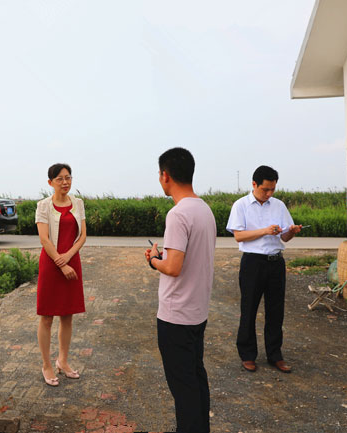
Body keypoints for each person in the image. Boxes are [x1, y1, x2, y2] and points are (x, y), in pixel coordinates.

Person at [145, 147, 216, 433]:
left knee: (183, 387)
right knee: (196, 378)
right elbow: (188, 258)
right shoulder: (204, 209)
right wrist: (164, 257)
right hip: (197, 311)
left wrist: (153, 259)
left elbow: (173, 267)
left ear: (165, 175)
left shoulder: (177, 214)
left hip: (176, 315)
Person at [226, 165, 302, 374]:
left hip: (276, 262)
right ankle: (247, 355)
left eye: (272, 189)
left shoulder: (279, 206)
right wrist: (265, 231)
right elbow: (238, 236)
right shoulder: (241, 205)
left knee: (276, 311)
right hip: (253, 263)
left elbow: (284, 237)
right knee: (249, 309)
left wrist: (292, 231)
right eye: (265, 189)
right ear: (254, 184)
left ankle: (275, 355)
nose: (269, 193)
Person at [35, 163, 87, 386]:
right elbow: (44, 239)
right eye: (60, 179)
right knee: (47, 316)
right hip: (51, 264)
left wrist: (68, 257)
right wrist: (60, 262)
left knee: (67, 315)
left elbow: (82, 236)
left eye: (68, 177)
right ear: (50, 182)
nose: (65, 182)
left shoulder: (78, 203)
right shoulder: (43, 206)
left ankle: (63, 361)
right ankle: (46, 364)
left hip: (72, 261)